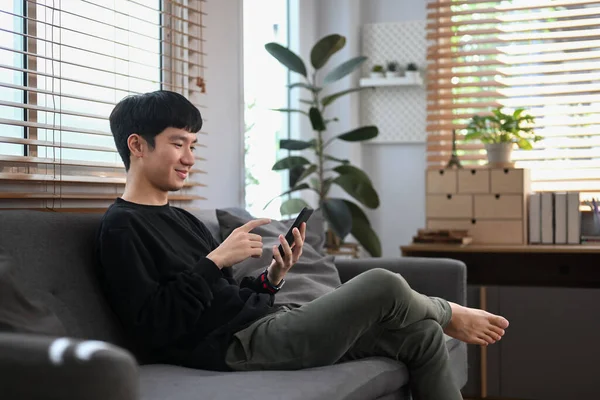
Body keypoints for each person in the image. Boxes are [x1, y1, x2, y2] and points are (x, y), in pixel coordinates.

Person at [96, 90, 509, 400]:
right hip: (234, 348)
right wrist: (216, 258)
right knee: (382, 283)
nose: (189, 157)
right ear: (137, 145)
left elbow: (221, 297)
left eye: (193, 145)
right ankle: (450, 312)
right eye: (177, 143)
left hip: (264, 322)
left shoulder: (180, 218)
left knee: (420, 334)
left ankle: (436, 320)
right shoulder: (121, 228)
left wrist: (272, 278)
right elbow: (154, 324)